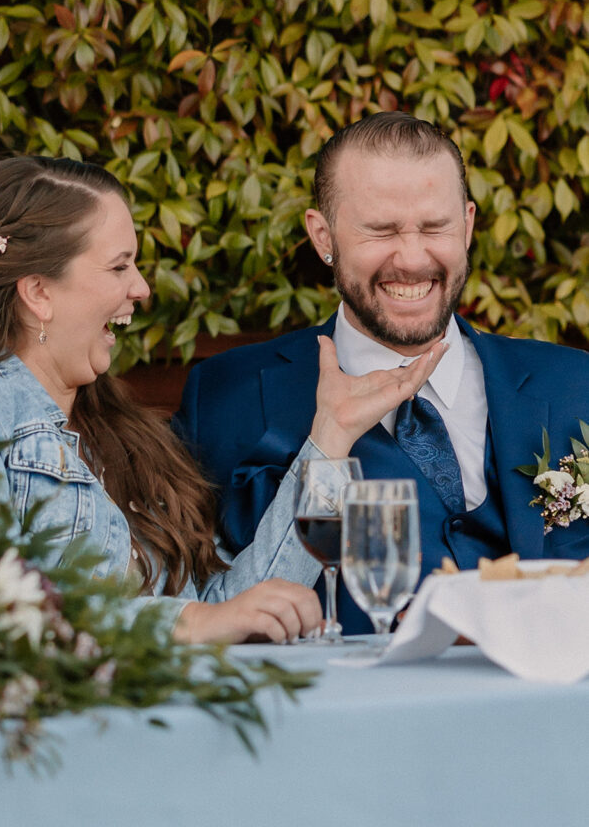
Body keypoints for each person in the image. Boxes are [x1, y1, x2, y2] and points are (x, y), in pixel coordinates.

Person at [0, 155, 438, 645]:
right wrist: (188, 622)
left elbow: (221, 611)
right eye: (119, 267)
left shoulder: (122, 435)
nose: (140, 288)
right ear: (39, 292)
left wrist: (330, 438)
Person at [175, 112, 589, 634]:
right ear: (323, 237)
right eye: (381, 230)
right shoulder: (223, 398)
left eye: (435, 227)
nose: (412, 259)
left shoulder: (577, 385)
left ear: (467, 226)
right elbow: (193, 604)